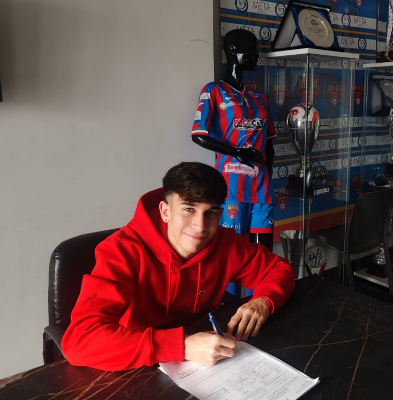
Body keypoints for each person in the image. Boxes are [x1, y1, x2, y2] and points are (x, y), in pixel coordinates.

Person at [62, 162, 295, 371]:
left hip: (205, 359)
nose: (200, 226)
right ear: (165, 211)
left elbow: (278, 269)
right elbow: (79, 341)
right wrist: (181, 346)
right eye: (189, 209)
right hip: (135, 362)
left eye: (210, 212)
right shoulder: (121, 250)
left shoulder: (224, 242)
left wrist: (263, 301)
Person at [191, 29, 276, 255]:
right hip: (231, 186)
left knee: (263, 255)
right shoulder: (214, 90)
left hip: (262, 187)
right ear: (232, 50)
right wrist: (236, 152)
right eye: (252, 50)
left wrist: (268, 174)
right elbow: (198, 135)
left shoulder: (260, 99)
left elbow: (269, 143)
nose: (257, 55)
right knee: (231, 254)